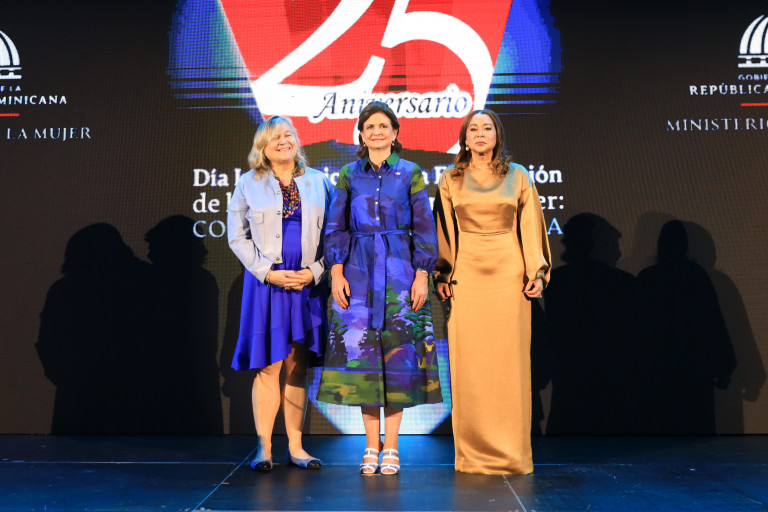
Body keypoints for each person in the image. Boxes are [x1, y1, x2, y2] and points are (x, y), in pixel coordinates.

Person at [316, 101, 442, 476]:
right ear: (361, 133)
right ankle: (371, 445)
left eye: (383, 126)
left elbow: (424, 227)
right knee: (363, 359)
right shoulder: (348, 174)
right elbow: (335, 227)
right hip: (357, 271)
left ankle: (393, 447)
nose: (376, 131)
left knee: (398, 356)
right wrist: (336, 272)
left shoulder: (411, 173)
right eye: (369, 126)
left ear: (395, 133)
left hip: (400, 272)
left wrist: (422, 275)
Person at [433, 109, 551, 475]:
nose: (480, 133)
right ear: (465, 138)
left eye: (487, 128)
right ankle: (472, 455)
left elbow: (530, 226)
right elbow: (444, 232)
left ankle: (512, 454)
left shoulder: (518, 176)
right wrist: (442, 273)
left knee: (508, 365)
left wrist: (537, 272)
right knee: (469, 365)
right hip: (467, 276)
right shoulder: (450, 179)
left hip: (507, 276)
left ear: (497, 135)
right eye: (473, 129)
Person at [227, 116, 333, 471]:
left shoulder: (319, 181)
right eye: (275, 137)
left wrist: (315, 272)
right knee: (269, 366)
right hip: (266, 286)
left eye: (288, 134)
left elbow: (336, 234)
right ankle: (264, 449)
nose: (283, 141)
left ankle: (297, 448)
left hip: (307, 285)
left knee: (297, 366)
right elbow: (236, 236)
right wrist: (268, 272)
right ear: (263, 147)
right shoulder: (248, 183)